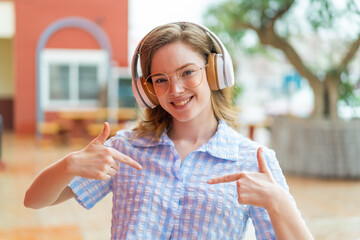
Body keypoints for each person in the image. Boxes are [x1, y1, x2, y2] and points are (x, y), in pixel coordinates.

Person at [24, 22, 313, 240]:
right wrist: (69, 163)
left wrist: (279, 202)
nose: (175, 90)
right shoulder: (125, 149)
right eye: (161, 79)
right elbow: (34, 200)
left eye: (188, 72)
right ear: (148, 90)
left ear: (214, 72)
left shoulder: (254, 160)